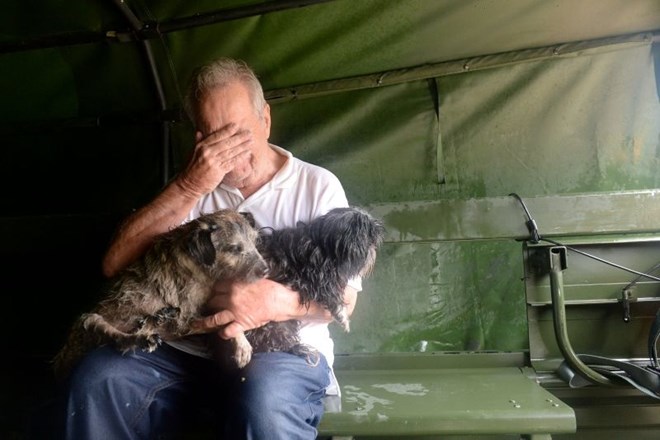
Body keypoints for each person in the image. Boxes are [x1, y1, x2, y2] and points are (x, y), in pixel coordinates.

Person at [58, 57, 360, 440]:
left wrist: (273, 302)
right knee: (97, 380)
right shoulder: (193, 184)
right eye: (214, 138)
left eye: (240, 135)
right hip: (184, 350)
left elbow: (344, 302)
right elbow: (113, 264)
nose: (229, 154)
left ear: (265, 119)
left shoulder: (318, 187)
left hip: (283, 353)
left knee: (264, 405)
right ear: (199, 139)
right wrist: (189, 186)